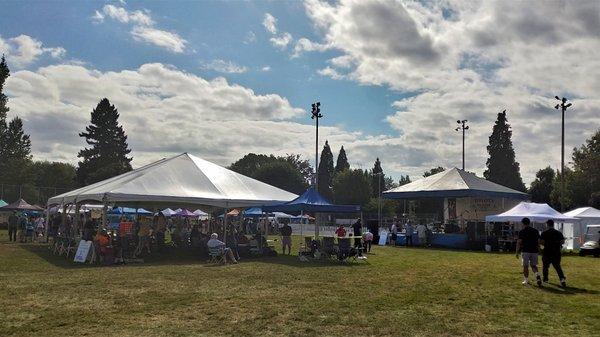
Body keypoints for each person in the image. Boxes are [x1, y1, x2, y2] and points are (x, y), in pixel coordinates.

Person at [516, 217, 542, 286]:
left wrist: (517, 252)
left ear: (522, 223)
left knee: (525, 266)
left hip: (525, 251)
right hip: (534, 251)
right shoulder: (535, 231)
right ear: (529, 222)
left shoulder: (522, 231)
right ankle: (537, 275)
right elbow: (539, 241)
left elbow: (519, 242)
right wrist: (539, 248)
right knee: (534, 265)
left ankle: (526, 280)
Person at [540, 220, 566, 287]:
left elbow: (542, 242)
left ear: (547, 225)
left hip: (547, 252)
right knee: (557, 267)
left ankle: (545, 279)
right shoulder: (558, 233)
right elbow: (563, 242)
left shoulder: (544, 233)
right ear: (553, 224)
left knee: (545, 267)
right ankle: (562, 279)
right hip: (556, 252)